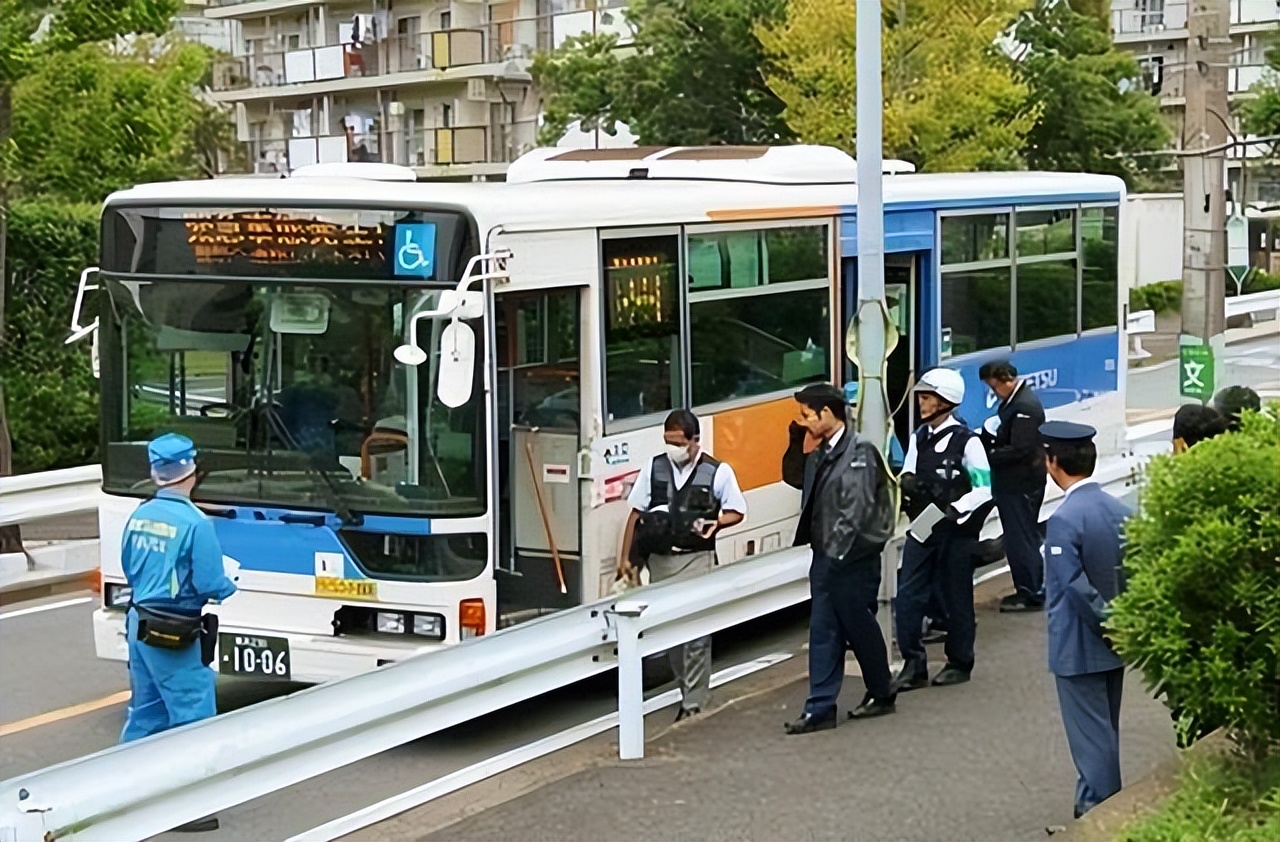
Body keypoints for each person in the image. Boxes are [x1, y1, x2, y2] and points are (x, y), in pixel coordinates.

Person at [120, 433, 238, 832]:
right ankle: (186, 806)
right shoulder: (195, 523)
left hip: (139, 621)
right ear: (191, 470)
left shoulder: (140, 514)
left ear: (155, 473)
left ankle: (124, 795)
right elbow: (209, 582)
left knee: (147, 711)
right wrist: (230, 584)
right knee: (192, 713)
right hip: (175, 628)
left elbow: (129, 566)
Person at [780, 384, 897, 734]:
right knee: (825, 630)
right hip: (829, 554)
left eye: (807, 415)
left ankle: (880, 691)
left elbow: (854, 511)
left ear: (827, 414)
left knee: (856, 627)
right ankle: (821, 706)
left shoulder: (859, 453)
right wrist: (795, 443)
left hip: (852, 557)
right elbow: (796, 479)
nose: (803, 421)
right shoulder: (822, 451)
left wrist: (835, 557)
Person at [618, 409, 747, 721]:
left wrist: (716, 522)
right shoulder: (655, 468)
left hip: (696, 559)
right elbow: (635, 515)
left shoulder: (717, 472)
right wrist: (625, 558)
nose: (673, 447)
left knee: (696, 635)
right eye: (667, 441)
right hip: (661, 561)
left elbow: (737, 511)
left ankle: (693, 702)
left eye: (678, 442)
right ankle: (685, 689)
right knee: (671, 635)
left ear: (695, 441)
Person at [1040, 421, 1134, 819]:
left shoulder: (1064, 520)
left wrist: (1107, 620)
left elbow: (1074, 586)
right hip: (1115, 645)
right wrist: (1124, 623)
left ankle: (1102, 813)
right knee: (1103, 730)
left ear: (1054, 462)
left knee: (1091, 738)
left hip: (1078, 645)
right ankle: (1086, 806)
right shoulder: (1119, 510)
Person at [891, 368, 994, 692]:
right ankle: (913, 663)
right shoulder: (919, 436)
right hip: (925, 520)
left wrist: (956, 509)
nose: (921, 403)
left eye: (928, 397)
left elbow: (985, 487)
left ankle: (960, 661)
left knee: (956, 596)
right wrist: (906, 481)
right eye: (921, 397)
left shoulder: (969, 441)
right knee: (907, 593)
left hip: (955, 525)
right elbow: (909, 469)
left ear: (946, 401)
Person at [979, 360, 1047, 613]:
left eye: (994, 386)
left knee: (1021, 538)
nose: (993, 391)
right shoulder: (1016, 403)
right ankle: (1029, 587)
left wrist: (988, 454)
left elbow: (1021, 449)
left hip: (1020, 482)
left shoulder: (1025, 407)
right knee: (1021, 535)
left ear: (1006, 380)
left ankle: (1029, 592)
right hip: (1017, 481)